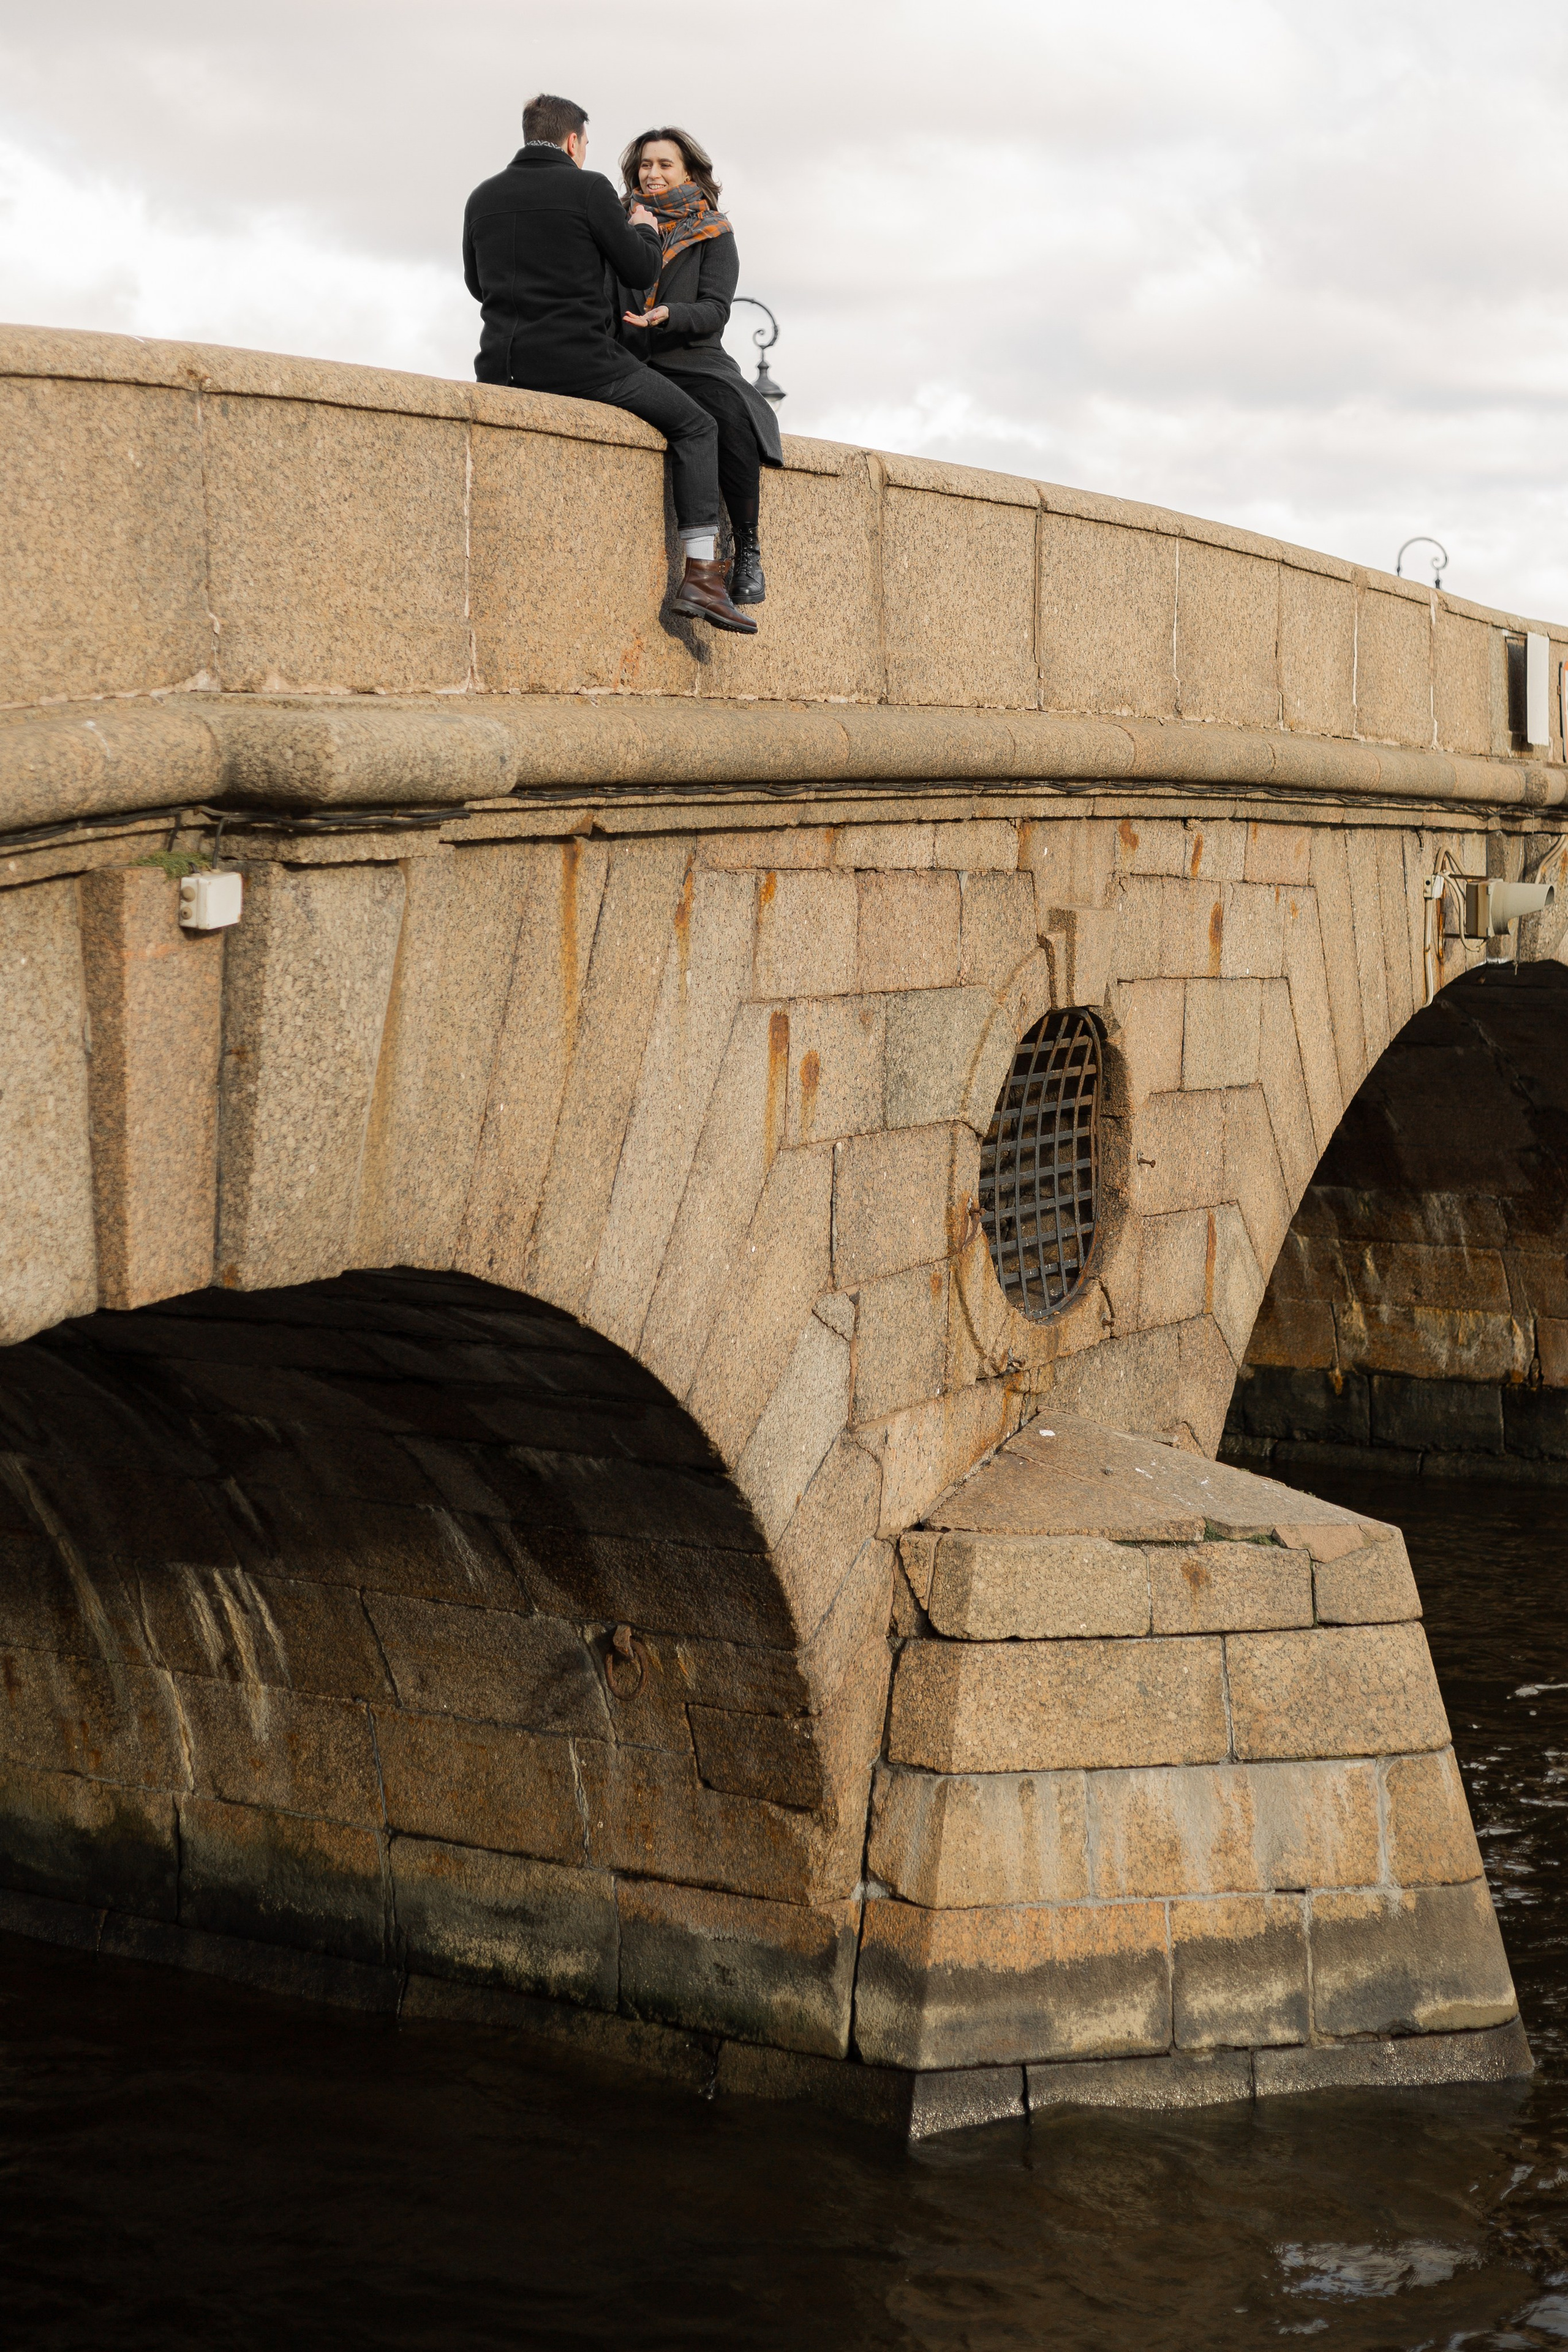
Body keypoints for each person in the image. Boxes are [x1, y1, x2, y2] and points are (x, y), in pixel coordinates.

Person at [462, 92, 756, 635]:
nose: (650, 173)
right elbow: (643, 268)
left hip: (499, 366)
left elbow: (476, 283)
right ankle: (702, 575)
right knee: (697, 424)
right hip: (583, 364)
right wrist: (643, 228)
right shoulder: (589, 188)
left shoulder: (483, 196)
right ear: (574, 141)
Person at [616, 127, 782, 606]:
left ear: (689, 172)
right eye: (646, 165)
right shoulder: (619, 224)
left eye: (665, 165)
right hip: (632, 356)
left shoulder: (714, 232)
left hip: (693, 357)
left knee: (732, 413)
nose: (653, 174)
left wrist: (670, 314)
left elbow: (716, 310)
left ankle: (747, 548)